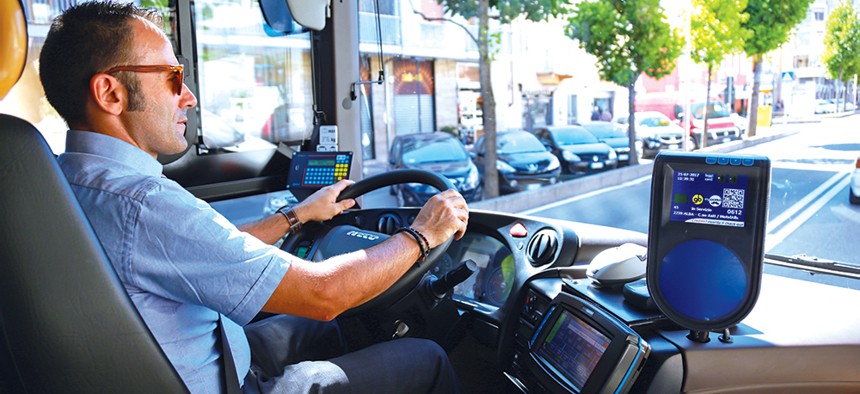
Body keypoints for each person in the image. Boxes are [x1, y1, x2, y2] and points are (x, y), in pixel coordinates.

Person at [39, 2, 468, 393]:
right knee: (423, 357)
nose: (188, 96)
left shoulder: (65, 183)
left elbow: (204, 248)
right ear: (110, 93)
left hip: (207, 356)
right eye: (172, 78)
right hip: (227, 384)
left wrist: (295, 216)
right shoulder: (144, 202)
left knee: (338, 329)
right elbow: (325, 295)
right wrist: (422, 234)